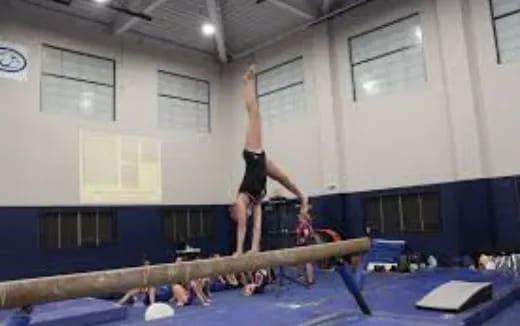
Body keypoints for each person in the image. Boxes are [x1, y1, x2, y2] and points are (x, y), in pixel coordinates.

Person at [231, 65, 310, 255]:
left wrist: (239, 251)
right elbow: (257, 227)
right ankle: (303, 197)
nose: (245, 213)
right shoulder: (257, 199)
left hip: (253, 155)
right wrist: (254, 249)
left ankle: (246, 82)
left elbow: (243, 226)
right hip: (262, 163)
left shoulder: (242, 198)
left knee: (254, 114)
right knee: (284, 179)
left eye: (240, 212)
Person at [296, 212, 315, 285]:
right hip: (301, 246)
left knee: (308, 263)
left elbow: (306, 236)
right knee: (300, 261)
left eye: (299, 217)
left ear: (302, 218)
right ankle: (300, 275)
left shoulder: (305, 225)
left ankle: (310, 280)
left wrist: (302, 240)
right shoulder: (302, 225)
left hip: (305, 246)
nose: (298, 218)